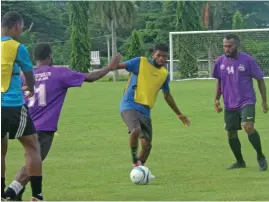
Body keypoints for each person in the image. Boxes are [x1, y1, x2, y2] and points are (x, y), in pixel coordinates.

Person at [5, 42, 121, 201]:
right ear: (50, 56)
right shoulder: (59, 73)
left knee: (31, 160)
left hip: (24, 125)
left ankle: (15, 195)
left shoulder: (26, 75)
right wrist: (109, 67)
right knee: (34, 164)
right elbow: (91, 77)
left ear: (34, 57)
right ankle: (9, 193)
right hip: (44, 128)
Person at [118, 44, 190, 175]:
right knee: (135, 129)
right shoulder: (140, 62)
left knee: (147, 146)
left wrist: (179, 114)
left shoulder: (164, 74)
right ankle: (134, 160)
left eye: (165, 56)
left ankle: (138, 171)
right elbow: (118, 66)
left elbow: (167, 95)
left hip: (145, 110)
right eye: (159, 55)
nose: (162, 58)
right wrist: (110, 65)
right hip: (129, 105)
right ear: (153, 55)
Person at [1, 11, 44, 201]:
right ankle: (37, 195)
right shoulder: (17, 47)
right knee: (32, 145)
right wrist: (31, 89)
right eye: (22, 28)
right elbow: (29, 72)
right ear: (16, 26)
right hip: (12, 105)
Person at [213, 34, 269, 171]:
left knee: (247, 126)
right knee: (231, 133)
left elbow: (260, 80)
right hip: (229, 103)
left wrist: (264, 101)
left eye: (229, 46)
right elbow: (219, 80)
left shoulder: (248, 60)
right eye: (225, 46)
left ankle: (260, 156)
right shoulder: (220, 61)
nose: (226, 48)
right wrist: (216, 99)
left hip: (246, 101)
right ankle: (240, 162)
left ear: (236, 45)